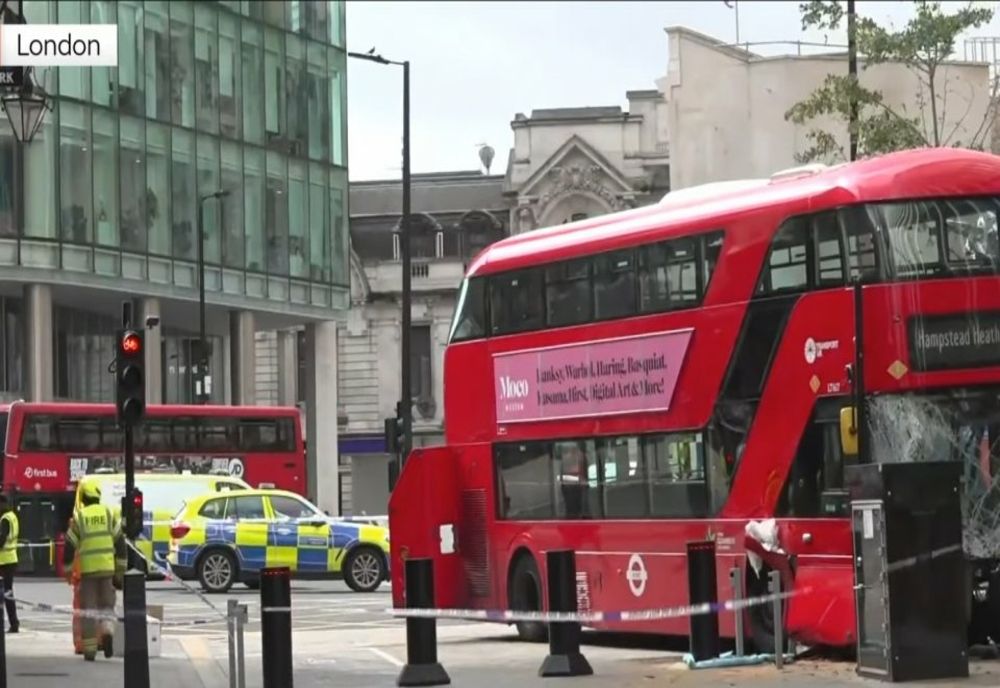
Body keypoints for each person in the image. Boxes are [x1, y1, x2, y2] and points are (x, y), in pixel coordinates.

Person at [64, 483, 125, 661]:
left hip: (88, 572)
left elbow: (69, 546)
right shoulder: (108, 514)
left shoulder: (80, 517)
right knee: (107, 606)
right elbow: (120, 544)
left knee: (88, 611)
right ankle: (107, 632)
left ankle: (90, 652)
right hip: (107, 570)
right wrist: (119, 572)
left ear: (83, 499)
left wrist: (68, 571)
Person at [0, 494, 19, 633]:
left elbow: (2, 539)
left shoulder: (5, 519)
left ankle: (14, 623)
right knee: (8, 593)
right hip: (11, 558)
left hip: (4, 560)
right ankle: (14, 622)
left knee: (6, 593)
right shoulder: (13, 516)